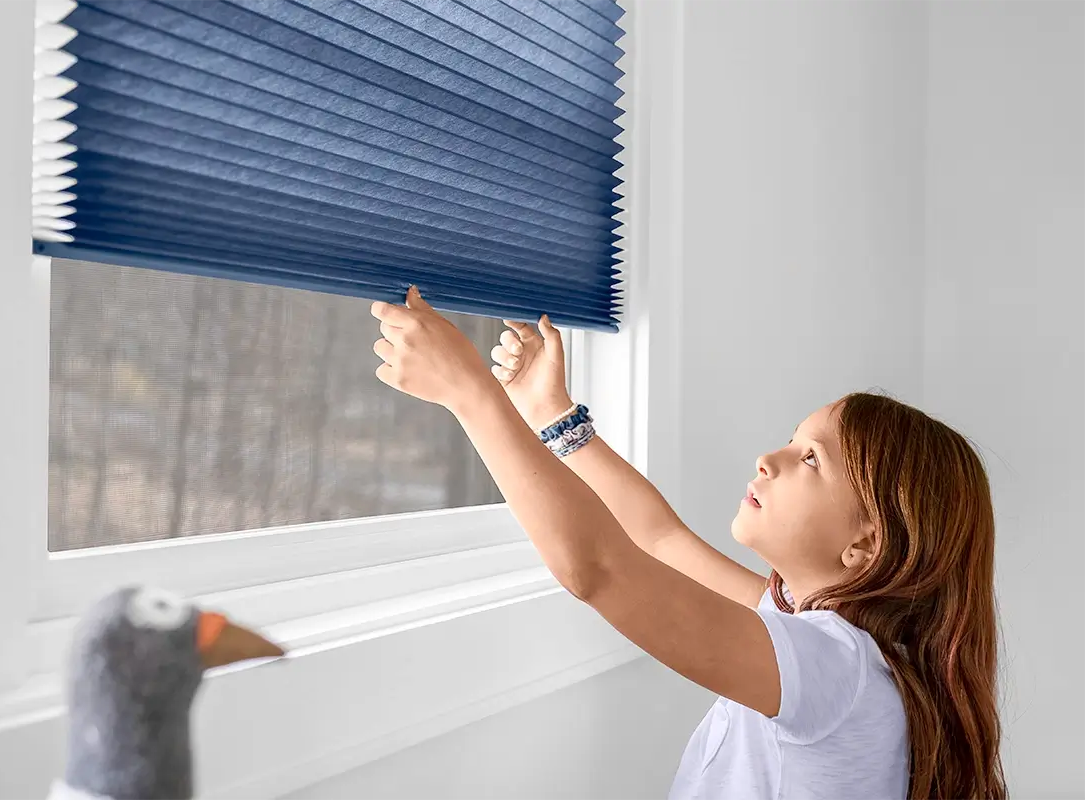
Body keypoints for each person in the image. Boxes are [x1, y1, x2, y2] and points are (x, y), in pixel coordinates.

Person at [369, 287, 1006, 800]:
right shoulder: (819, 634)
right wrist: (551, 415)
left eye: (810, 459)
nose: (767, 458)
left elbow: (598, 569)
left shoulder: (834, 666)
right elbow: (658, 539)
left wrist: (471, 394)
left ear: (867, 545)